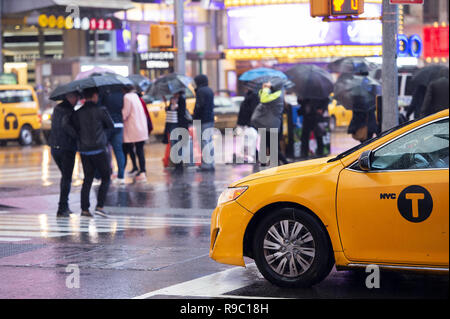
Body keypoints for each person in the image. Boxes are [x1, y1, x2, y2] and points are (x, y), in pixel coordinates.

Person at [65, 87, 114, 218]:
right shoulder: (101, 110)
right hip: (99, 149)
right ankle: (100, 206)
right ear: (94, 96)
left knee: (88, 179)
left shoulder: (77, 113)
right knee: (106, 177)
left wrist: (79, 137)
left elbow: (71, 127)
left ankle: (85, 209)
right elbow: (111, 125)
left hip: (85, 150)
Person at [50, 92, 79, 217]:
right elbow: (66, 126)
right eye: (75, 97)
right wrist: (78, 136)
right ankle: (62, 208)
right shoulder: (68, 110)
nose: (77, 100)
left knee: (65, 177)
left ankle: (64, 206)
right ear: (69, 97)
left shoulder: (57, 108)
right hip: (66, 148)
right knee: (66, 178)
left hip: (55, 147)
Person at [251, 81, 288, 166]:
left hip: (271, 125)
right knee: (265, 146)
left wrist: (266, 89)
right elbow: (262, 97)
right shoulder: (276, 94)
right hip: (266, 124)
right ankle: (265, 167)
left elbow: (264, 100)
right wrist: (264, 89)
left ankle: (286, 164)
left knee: (273, 148)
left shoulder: (278, 95)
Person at [122, 85, 149, 182]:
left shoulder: (127, 97)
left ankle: (142, 171)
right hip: (141, 127)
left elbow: (125, 113)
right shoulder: (135, 96)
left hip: (133, 128)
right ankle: (140, 170)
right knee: (139, 150)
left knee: (135, 150)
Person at [100, 89, 126, 185]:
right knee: (119, 151)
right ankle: (121, 176)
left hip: (107, 125)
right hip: (119, 124)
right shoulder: (120, 94)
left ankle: (107, 174)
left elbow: (100, 108)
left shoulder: (103, 93)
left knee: (105, 151)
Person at [193, 74, 215, 171]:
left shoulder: (201, 91)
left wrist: (194, 117)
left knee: (204, 142)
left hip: (203, 120)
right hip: (210, 119)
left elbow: (199, 106)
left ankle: (206, 164)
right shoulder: (209, 90)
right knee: (209, 141)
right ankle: (210, 163)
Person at [165, 90, 190, 173]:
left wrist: (176, 106)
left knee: (178, 145)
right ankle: (176, 164)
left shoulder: (182, 99)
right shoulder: (172, 99)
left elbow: (182, 113)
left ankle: (179, 166)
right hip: (172, 125)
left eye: (175, 92)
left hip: (179, 126)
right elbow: (169, 111)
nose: (173, 93)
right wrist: (169, 107)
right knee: (173, 145)